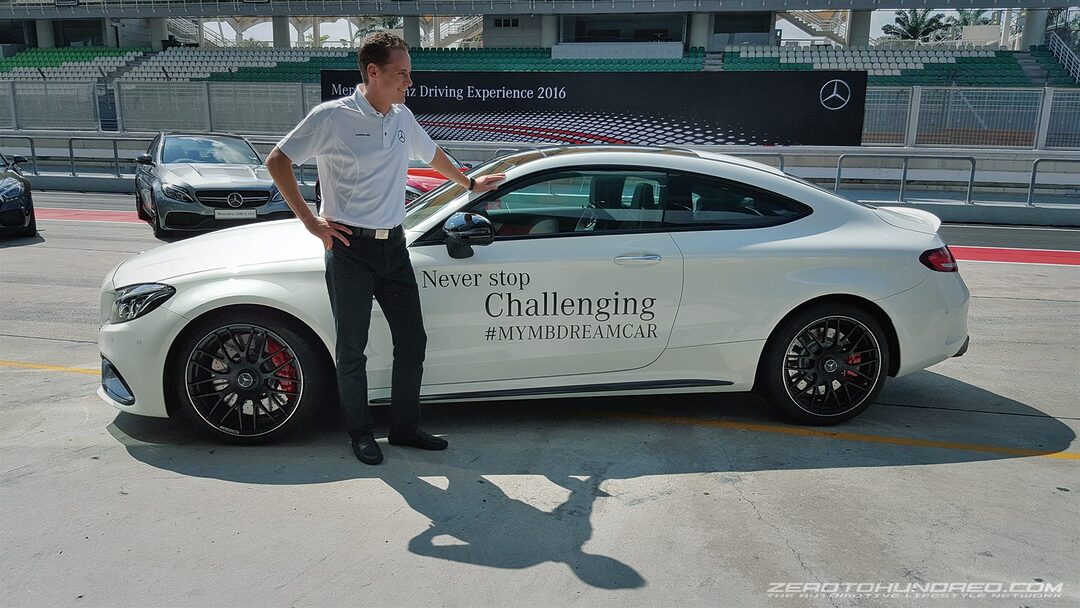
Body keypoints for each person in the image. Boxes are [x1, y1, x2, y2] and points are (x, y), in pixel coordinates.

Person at [265, 32, 504, 465]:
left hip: (394, 247)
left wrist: (469, 184)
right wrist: (311, 223)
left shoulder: (400, 116)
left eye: (409, 73)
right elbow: (277, 160)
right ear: (373, 72)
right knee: (352, 348)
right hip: (349, 248)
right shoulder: (331, 117)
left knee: (413, 340)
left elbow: (432, 155)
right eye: (402, 73)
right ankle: (359, 434)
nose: (408, 82)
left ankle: (405, 427)